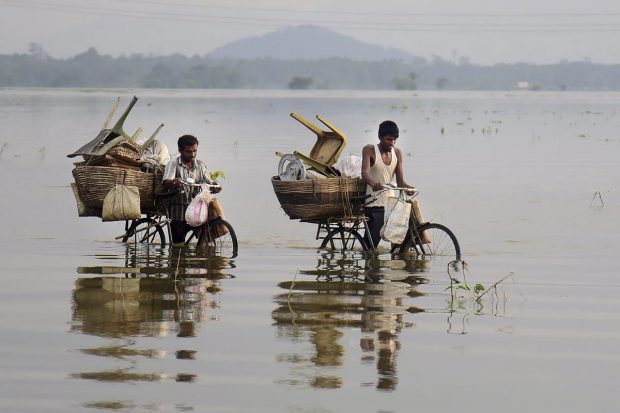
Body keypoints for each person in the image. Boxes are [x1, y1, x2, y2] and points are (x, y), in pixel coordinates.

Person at [361, 120, 414, 248]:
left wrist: (409, 188)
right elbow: (365, 173)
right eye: (389, 140)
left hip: (391, 205)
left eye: (395, 140)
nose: (392, 143)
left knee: (399, 244)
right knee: (370, 248)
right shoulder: (369, 150)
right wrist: (373, 183)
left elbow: (400, 181)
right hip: (374, 204)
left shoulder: (397, 153)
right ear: (380, 137)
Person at [162, 135, 221, 244]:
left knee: (207, 235)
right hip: (178, 211)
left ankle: (205, 256)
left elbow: (208, 181)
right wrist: (174, 181)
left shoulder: (200, 165)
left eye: (195, 151)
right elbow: (166, 182)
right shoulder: (173, 163)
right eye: (189, 151)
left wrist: (215, 186)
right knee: (178, 245)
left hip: (196, 210)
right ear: (180, 150)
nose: (193, 154)